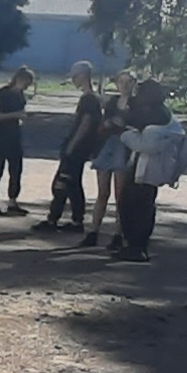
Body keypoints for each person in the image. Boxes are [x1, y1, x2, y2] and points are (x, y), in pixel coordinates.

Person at [107, 77, 182, 262]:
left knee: (134, 205)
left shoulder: (154, 114)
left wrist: (122, 131)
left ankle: (136, 246)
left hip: (146, 166)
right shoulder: (162, 113)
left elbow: (140, 137)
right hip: (151, 166)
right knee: (140, 204)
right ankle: (136, 245)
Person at [39, 61, 105, 233]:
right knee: (73, 183)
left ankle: (54, 219)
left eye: (75, 77)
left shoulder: (88, 99)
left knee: (61, 182)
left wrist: (72, 145)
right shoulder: (95, 97)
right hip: (83, 148)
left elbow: (85, 123)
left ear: (82, 76)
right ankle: (76, 220)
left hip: (77, 148)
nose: (74, 80)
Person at [84, 71, 134, 249]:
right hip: (108, 145)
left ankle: (117, 234)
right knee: (102, 192)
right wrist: (107, 124)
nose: (125, 85)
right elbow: (104, 123)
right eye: (122, 82)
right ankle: (93, 231)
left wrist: (125, 126)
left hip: (125, 146)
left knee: (120, 194)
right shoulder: (112, 102)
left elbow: (138, 125)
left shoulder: (136, 104)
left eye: (128, 82)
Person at [0, 68, 35, 213]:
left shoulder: (20, 95)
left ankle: (12, 200)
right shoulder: (3, 94)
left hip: (14, 135)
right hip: (0, 135)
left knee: (16, 168)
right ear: (20, 79)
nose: (27, 86)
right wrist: (15, 115)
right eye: (27, 82)